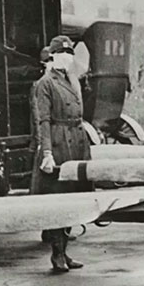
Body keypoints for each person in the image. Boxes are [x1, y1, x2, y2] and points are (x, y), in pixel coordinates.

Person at [32, 35, 93, 272]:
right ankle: (57, 254)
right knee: (58, 199)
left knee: (73, 198)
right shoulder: (45, 83)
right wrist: (47, 152)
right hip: (59, 143)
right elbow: (43, 121)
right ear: (53, 56)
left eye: (69, 53)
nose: (66, 57)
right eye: (62, 53)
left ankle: (64, 252)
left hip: (76, 142)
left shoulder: (71, 80)